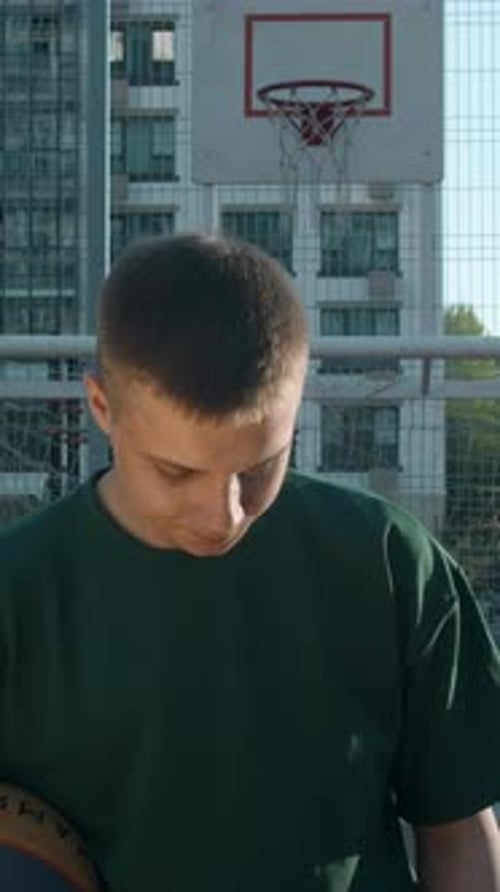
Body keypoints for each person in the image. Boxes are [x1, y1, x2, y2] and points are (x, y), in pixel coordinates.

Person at [0, 232, 499, 892]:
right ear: (101, 408)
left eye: (260, 467)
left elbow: (459, 827)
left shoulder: (392, 565)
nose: (225, 513)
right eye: (177, 472)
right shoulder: (18, 592)